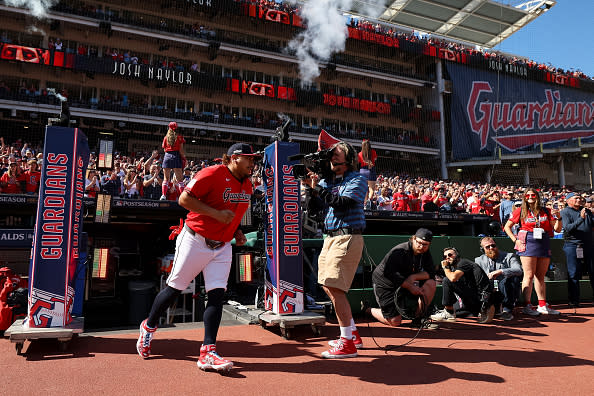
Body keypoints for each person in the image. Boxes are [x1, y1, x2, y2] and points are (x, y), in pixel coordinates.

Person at [136, 142, 258, 372]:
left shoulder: (248, 185)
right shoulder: (212, 173)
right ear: (234, 158)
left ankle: (208, 352)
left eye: (254, 158)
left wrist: (236, 231)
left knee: (216, 296)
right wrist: (216, 214)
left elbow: (231, 214)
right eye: (249, 158)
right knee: (174, 288)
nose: (253, 162)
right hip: (195, 239)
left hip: (222, 245)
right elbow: (184, 200)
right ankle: (149, 327)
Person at [305, 141, 367, 358]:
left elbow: (342, 203)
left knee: (334, 286)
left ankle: (347, 343)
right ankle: (352, 334)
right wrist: (312, 191)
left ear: (348, 159)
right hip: (330, 238)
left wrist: (320, 188)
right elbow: (315, 210)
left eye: (336, 153)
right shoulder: (326, 181)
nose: (332, 157)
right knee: (328, 286)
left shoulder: (358, 179)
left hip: (347, 236)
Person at [503, 188, 562, 316]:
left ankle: (542, 305)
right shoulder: (520, 210)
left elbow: (557, 229)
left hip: (543, 241)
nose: (530, 197)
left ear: (537, 196)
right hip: (527, 241)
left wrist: (559, 217)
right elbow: (507, 227)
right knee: (529, 275)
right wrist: (515, 240)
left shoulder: (546, 210)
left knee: (541, 276)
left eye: (533, 195)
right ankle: (527, 305)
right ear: (525, 197)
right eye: (528, 195)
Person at [366, 228, 437, 328]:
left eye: (425, 244)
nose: (421, 247)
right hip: (386, 284)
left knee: (431, 283)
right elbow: (389, 273)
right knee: (395, 321)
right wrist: (410, 287)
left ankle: (418, 318)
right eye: (419, 243)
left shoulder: (425, 253)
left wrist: (413, 277)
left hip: (406, 283)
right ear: (413, 239)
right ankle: (368, 309)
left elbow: (431, 273)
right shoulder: (400, 251)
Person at [431, 247, 498, 324]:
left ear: (457, 255)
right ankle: (478, 311)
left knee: (447, 280)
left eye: (450, 255)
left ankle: (449, 312)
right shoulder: (455, 269)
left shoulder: (464, 262)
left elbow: (452, 278)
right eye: (445, 257)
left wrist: (445, 267)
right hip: (472, 298)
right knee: (457, 311)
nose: (447, 258)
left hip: (482, 298)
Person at [475, 237, 523, 320]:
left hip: (505, 288)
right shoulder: (478, 260)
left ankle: (507, 310)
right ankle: (485, 308)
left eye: (493, 245)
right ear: (482, 250)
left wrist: (500, 271)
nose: (491, 248)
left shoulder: (509, 256)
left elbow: (519, 270)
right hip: (488, 290)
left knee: (513, 279)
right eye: (487, 247)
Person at [560, 193, 594, 307]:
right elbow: (568, 228)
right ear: (568, 200)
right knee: (573, 273)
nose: (579, 200)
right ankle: (574, 300)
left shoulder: (586, 211)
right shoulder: (565, 212)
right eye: (576, 198)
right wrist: (581, 218)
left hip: (589, 245)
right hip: (572, 245)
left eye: (580, 198)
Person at [160, 121, 186, 200]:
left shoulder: (165, 138)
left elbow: (164, 149)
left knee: (166, 179)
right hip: (176, 156)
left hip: (167, 156)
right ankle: (182, 197)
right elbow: (181, 151)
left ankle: (163, 195)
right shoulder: (180, 137)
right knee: (180, 180)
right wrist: (184, 157)